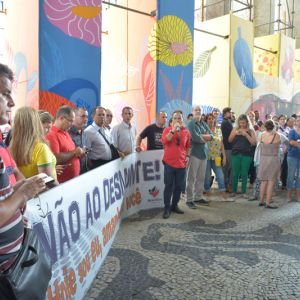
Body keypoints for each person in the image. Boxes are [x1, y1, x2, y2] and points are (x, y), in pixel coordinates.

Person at [9, 107, 58, 184]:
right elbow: (49, 183)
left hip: (23, 194)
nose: (48, 130)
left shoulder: (9, 148)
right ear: (36, 123)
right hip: (43, 194)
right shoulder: (40, 147)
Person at [161, 110, 190, 219]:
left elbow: (188, 146)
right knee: (168, 186)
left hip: (181, 165)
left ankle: (174, 205)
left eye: (179, 118)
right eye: (175, 118)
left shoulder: (186, 132)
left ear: (182, 120)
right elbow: (165, 141)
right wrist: (173, 130)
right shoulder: (167, 130)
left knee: (178, 187)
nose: (177, 120)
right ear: (172, 120)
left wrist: (187, 156)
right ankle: (167, 208)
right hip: (169, 164)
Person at [47, 105, 85, 183]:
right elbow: (56, 158)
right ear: (61, 118)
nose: (72, 124)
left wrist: (79, 154)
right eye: (70, 121)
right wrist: (75, 152)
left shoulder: (66, 132)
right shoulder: (51, 134)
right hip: (62, 184)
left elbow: (70, 153)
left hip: (72, 180)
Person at [186, 105, 213, 208]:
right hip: (194, 153)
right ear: (192, 112)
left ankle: (198, 197)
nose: (198, 111)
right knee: (191, 178)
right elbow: (194, 137)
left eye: (199, 110)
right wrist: (205, 137)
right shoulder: (191, 124)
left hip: (204, 153)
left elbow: (212, 136)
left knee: (201, 177)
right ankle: (189, 200)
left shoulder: (204, 124)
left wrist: (204, 136)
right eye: (196, 110)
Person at [228, 114, 256, 198]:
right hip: (235, 154)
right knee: (235, 173)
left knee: (244, 173)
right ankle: (234, 191)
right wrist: (235, 133)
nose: (242, 125)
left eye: (244, 123)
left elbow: (254, 143)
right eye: (240, 123)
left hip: (247, 155)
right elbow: (229, 140)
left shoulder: (251, 131)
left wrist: (246, 135)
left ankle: (244, 192)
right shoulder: (235, 129)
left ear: (247, 122)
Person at [257, 120, 281, 208]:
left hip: (263, 159)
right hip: (273, 159)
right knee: (271, 182)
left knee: (263, 181)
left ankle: (261, 200)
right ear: (273, 126)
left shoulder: (261, 135)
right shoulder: (277, 135)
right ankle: (268, 203)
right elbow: (279, 145)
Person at [203, 113, 227, 196]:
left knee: (220, 175)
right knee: (207, 176)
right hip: (206, 157)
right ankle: (206, 190)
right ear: (206, 120)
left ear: (214, 120)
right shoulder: (204, 130)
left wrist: (224, 156)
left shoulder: (219, 130)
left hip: (216, 157)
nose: (210, 120)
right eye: (208, 119)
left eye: (212, 118)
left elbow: (222, 143)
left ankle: (222, 191)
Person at [69, 107, 89, 174]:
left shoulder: (84, 132)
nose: (86, 119)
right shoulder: (67, 133)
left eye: (87, 116)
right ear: (74, 117)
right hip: (72, 175)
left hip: (84, 171)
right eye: (83, 116)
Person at [287, 116, 300, 202]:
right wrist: (296, 143)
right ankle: (289, 196)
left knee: (299, 177)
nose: (299, 122)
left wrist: (297, 143)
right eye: (298, 120)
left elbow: (294, 142)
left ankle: (298, 196)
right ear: (295, 122)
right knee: (291, 175)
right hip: (292, 156)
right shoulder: (292, 131)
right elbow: (291, 142)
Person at [221, 107, 233, 192]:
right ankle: (226, 185)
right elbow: (228, 137)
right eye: (230, 112)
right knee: (227, 168)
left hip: (229, 147)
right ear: (226, 113)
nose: (231, 114)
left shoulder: (227, 122)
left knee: (228, 167)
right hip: (227, 147)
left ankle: (227, 184)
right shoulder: (225, 122)